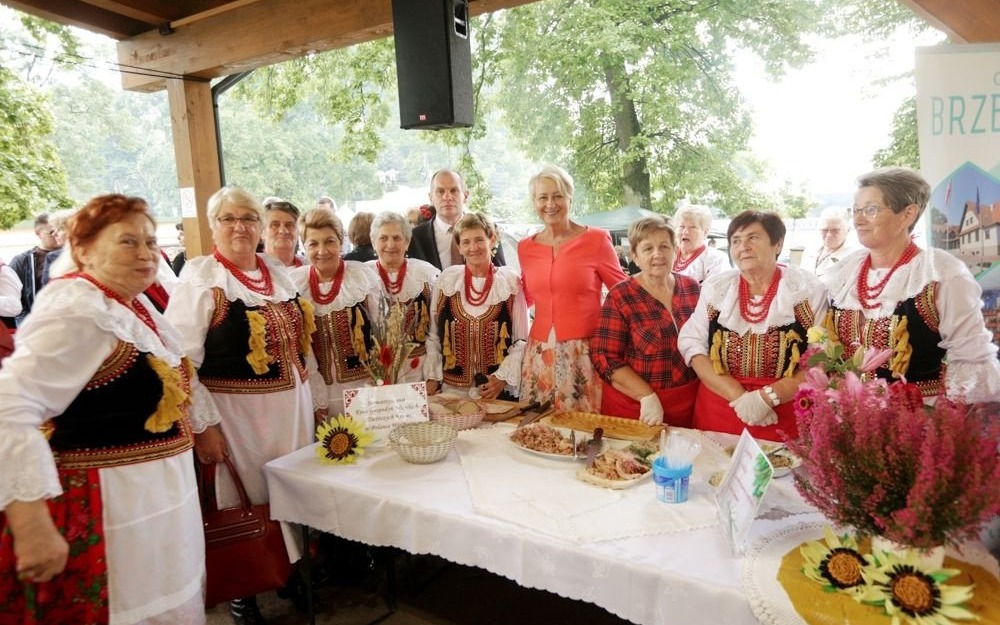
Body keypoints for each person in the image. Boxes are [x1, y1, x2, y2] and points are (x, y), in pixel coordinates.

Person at [0, 194, 214, 623]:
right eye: (127, 242)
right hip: (111, 507)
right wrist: (30, 521)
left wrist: (206, 426)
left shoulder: (132, 304)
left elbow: (176, 376)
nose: (146, 253)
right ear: (82, 249)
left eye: (151, 243)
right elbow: (10, 406)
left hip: (158, 501)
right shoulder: (78, 308)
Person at [165, 187, 321, 625]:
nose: (240, 227)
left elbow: (302, 345)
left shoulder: (278, 272)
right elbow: (182, 362)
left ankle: (289, 569)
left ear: (260, 225)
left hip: (292, 407)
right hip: (237, 415)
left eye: (249, 218)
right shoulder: (201, 279)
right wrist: (203, 425)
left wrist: (318, 400)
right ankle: (244, 588)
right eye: (229, 218)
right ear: (213, 225)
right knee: (244, 495)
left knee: (292, 489)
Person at [822, 167, 1000, 402]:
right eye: (855, 210)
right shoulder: (844, 273)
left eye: (870, 210)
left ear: (907, 214)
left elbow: (970, 360)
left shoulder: (939, 275)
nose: (857, 220)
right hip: (846, 417)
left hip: (914, 422)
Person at [678, 210, 828, 441]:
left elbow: (821, 357)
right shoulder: (717, 288)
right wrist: (737, 395)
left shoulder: (806, 289)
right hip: (721, 407)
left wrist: (768, 397)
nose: (743, 246)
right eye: (735, 241)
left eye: (753, 238)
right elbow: (692, 345)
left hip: (783, 411)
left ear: (777, 244)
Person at [518, 165, 627, 412]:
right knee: (539, 430)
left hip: (584, 353)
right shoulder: (525, 247)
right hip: (539, 353)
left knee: (584, 432)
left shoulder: (597, 239)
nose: (550, 204)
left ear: (569, 197)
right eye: (542, 197)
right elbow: (524, 297)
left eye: (557, 195)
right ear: (534, 202)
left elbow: (622, 293)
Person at [591, 216, 701, 426]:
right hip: (637, 407)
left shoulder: (692, 288)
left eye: (664, 247)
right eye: (648, 248)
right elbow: (604, 356)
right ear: (635, 255)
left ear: (675, 250)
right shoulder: (620, 296)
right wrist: (646, 396)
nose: (657, 254)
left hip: (687, 403)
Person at [425, 212, 528, 399]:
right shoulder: (447, 281)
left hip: (495, 393)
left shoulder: (510, 283)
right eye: (466, 242)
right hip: (451, 393)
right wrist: (432, 377)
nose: (473, 248)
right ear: (459, 247)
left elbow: (521, 341)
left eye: (479, 240)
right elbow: (433, 336)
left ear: (492, 240)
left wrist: (501, 379)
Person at [292, 208, 380, 415]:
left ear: (341, 243)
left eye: (330, 241)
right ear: (304, 247)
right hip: (316, 395)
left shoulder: (363, 278)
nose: (322, 251)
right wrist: (316, 401)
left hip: (365, 391)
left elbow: (383, 336)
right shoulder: (294, 284)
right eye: (313, 243)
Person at [366, 211, 440, 384]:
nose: (390, 244)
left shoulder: (426, 274)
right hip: (376, 375)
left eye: (397, 238)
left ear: (407, 242)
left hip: (419, 371)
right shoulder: (363, 276)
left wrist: (433, 376)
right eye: (383, 238)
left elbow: (435, 332)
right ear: (373, 242)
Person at [407, 169, 506, 270]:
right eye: (440, 191)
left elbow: (500, 271)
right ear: (431, 197)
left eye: (454, 190)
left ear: (466, 195)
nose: (447, 197)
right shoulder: (415, 237)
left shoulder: (487, 230)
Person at [8, 213, 59, 325]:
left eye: (60, 230)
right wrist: (28, 323)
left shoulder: (73, 257)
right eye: (51, 232)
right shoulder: (22, 261)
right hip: (33, 324)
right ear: (38, 233)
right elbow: (12, 297)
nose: (57, 235)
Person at [671, 204, 729, 283]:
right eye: (681, 226)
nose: (685, 232)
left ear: (705, 232)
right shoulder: (667, 254)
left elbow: (717, 292)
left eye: (692, 227)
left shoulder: (715, 259)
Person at [812, 206, 854, 279]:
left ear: (848, 230)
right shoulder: (810, 251)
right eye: (824, 230)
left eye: (835, 230)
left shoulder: (853, 260)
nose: (829, 235)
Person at [263, 199, 305, 268]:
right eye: (275, 225)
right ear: (262, 232)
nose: (283, 231)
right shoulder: (249, 268)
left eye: (289, 225)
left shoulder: (312, 270)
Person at [40, 208, 76, 287]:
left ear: (73, 230)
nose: (54, 234)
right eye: (54, 230)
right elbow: (47, 290)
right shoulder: (52, 257)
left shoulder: (93, 256)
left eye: (59, 229)